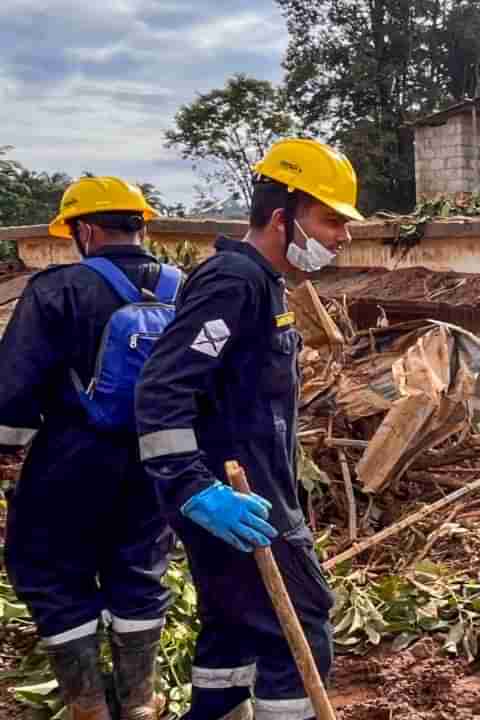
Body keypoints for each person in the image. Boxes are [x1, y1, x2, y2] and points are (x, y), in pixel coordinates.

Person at [135, 138, 362, 720]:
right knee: (301, 623)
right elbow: (162, 390)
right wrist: (194, 489)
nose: (343, 235)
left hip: (251, 496)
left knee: (232, 623)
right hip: (236, 502)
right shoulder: (233, 281)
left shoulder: (263, 283)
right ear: (283, 218)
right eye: (331, 219)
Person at [0, 178, 178, 720]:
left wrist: (8, 447)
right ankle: (141, 701)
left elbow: (14, 387)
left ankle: (88, 705)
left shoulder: (57, 289)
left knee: (50, 567)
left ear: (86, 229)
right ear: (140, 225)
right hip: (159, 457)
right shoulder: (185, 289)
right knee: (141, 566)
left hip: (72, 456)